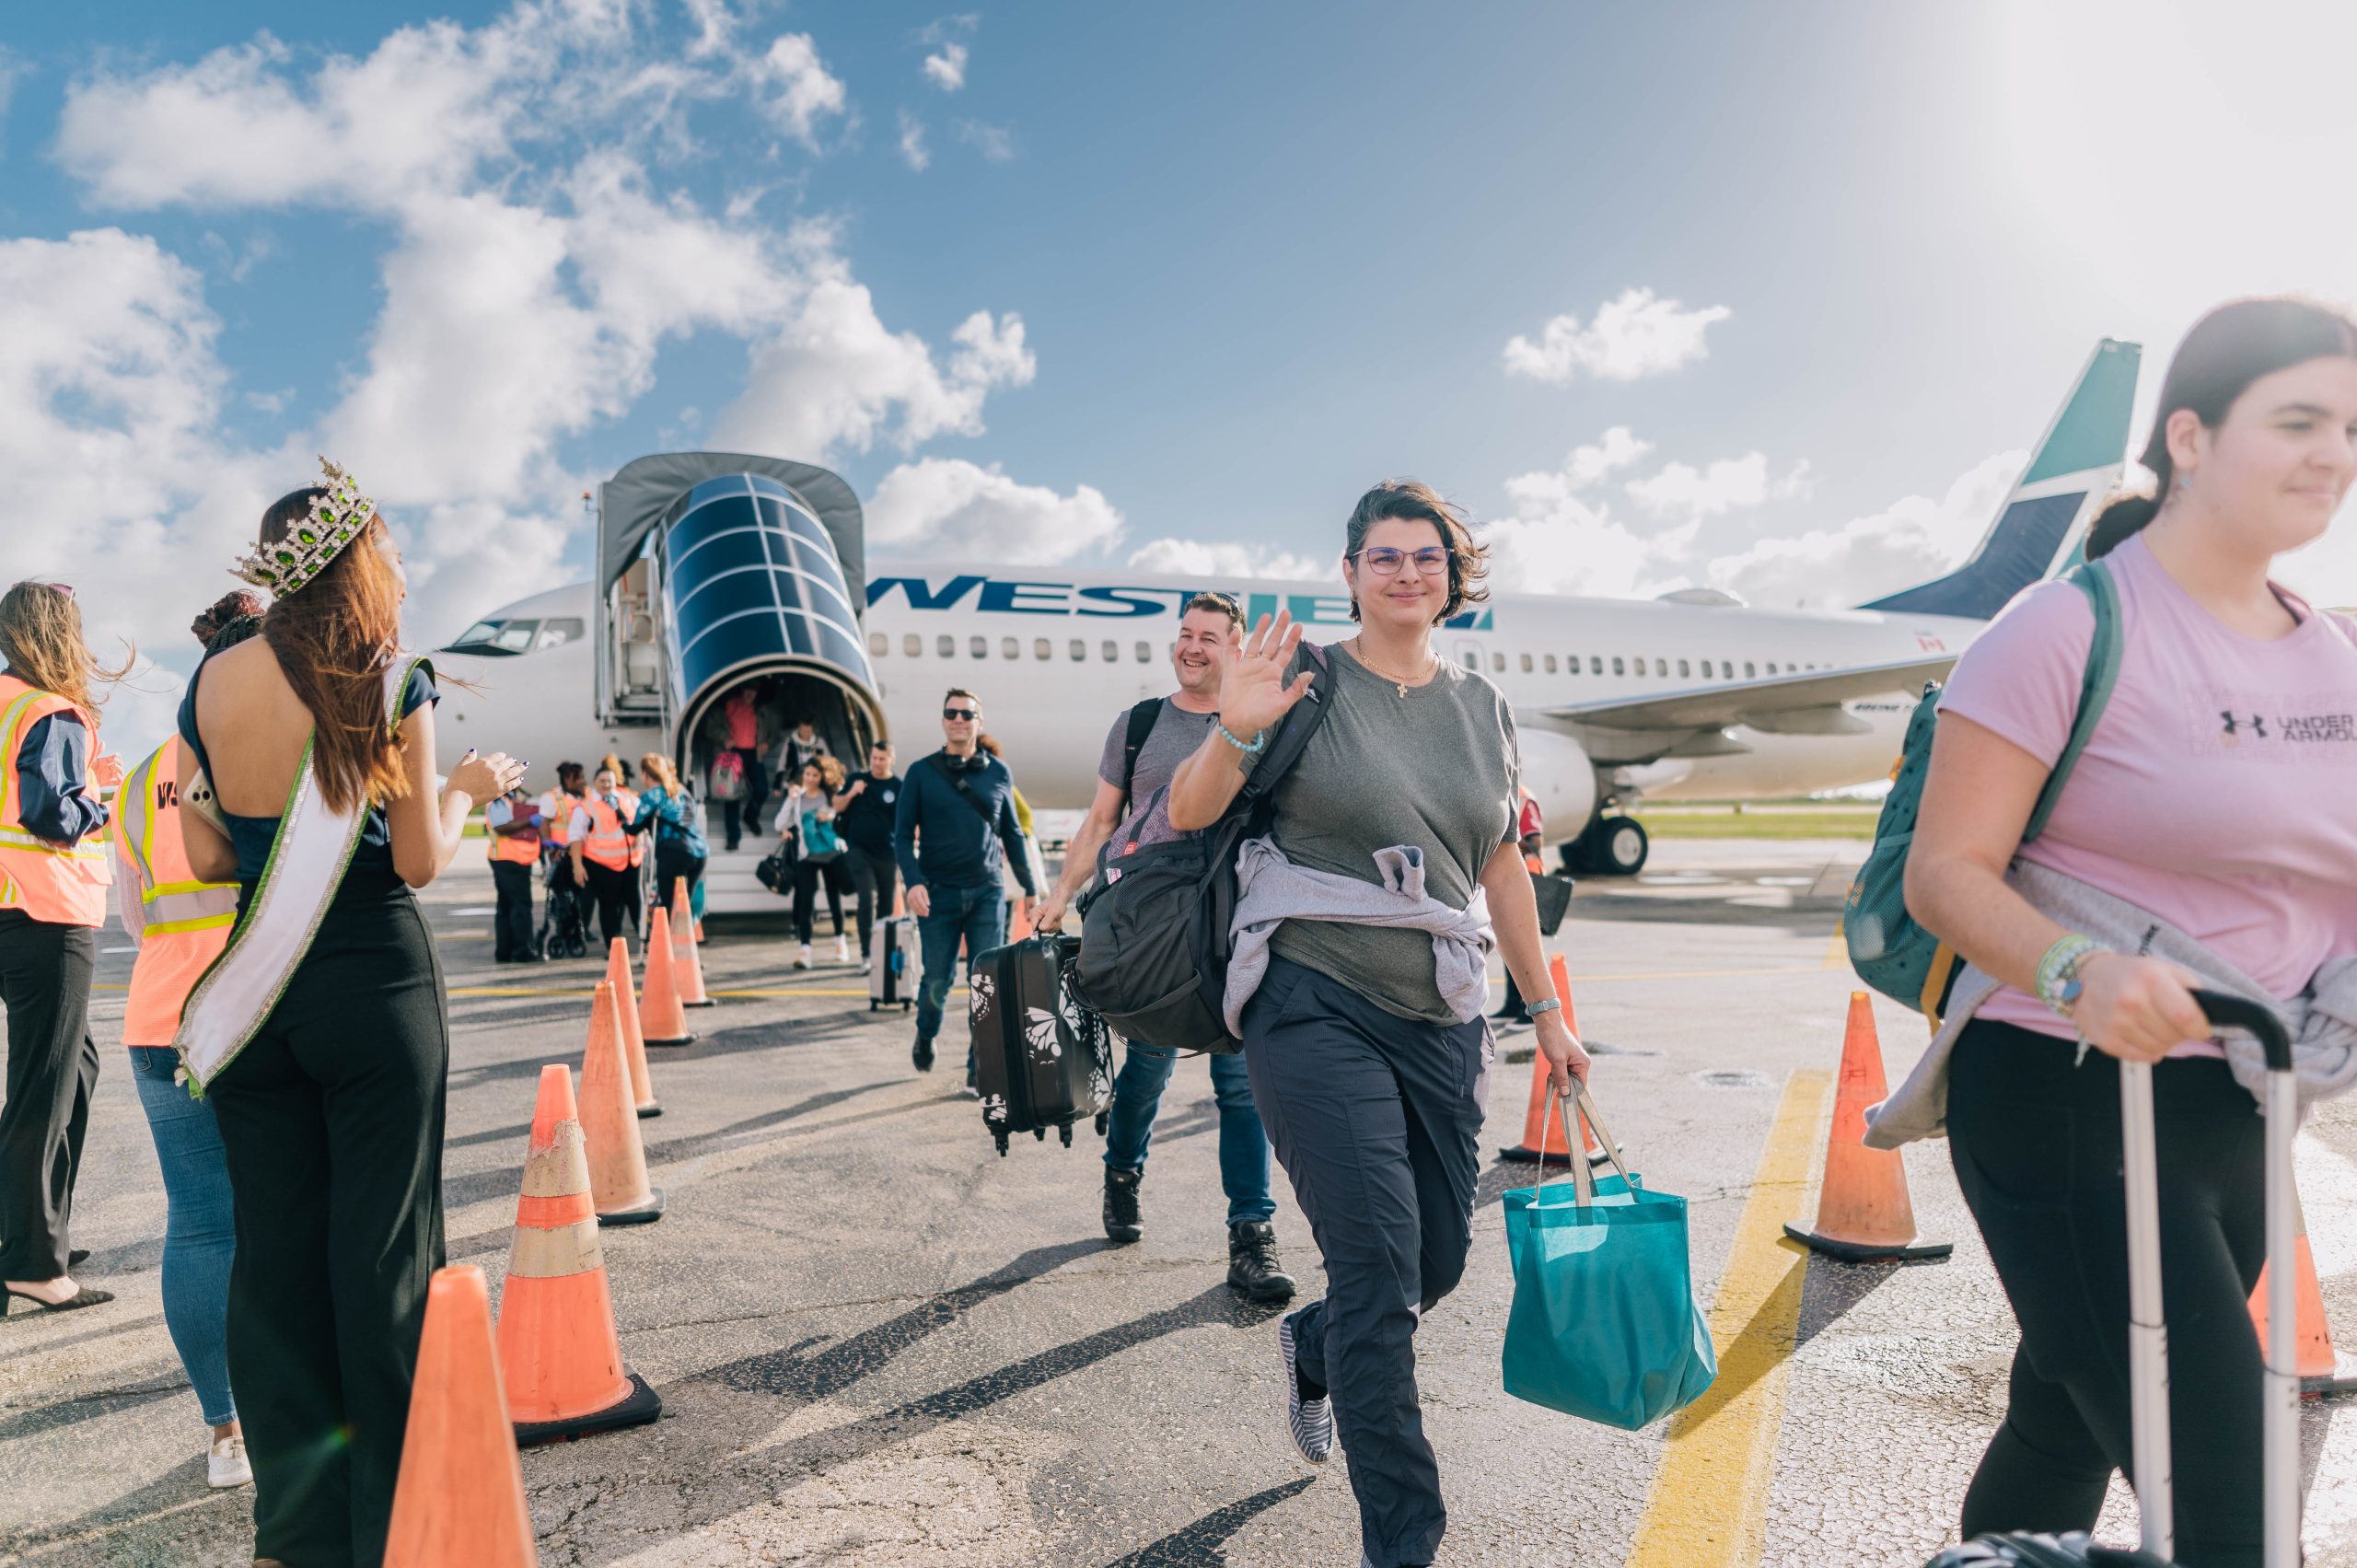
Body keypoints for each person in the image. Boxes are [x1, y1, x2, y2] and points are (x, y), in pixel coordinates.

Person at [1898, 297, 2357, 1568]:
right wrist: (2075, 965)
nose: (2335, 453)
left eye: (2353, 426)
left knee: (2064, 1424)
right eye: (2300, 419)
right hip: (2068, 1086)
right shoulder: (2068, 628)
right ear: (2194, 437)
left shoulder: (2338, 660)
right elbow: (1948, 870)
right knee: (2236, 1512)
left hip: (2251, 1103)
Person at [1165, 481, 1587, 1568]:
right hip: (1310, 995)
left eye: (1427, 556)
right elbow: (1189, 810)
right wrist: (1234, 732)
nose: (1407, 571)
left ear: (1454, 577)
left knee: (1433, 1261)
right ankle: (1405, 1541)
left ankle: (1313, 1344)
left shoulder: (1482, 705)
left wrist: (1546, 1016)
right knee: (1378, 1279)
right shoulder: (1307, 681)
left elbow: (1500, 862)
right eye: (1383, 555)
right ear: (1350, 572)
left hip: (1442, 1009)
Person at [177, 459, 524, 1566]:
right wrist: (467, 789)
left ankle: (297, 1529)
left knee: (272, 1260)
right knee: (379, 1258)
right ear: (356, 556)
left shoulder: (212, 679)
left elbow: (202, 846)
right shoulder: (387, 673)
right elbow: (418, 860)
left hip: (255, 997)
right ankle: (390, 1523)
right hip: (371, 982)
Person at [1036, 591, 1295, 1302]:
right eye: (1185, 633)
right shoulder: (1141, 722)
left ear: (1235, 647)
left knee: (1241, 1091)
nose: (1193, 646)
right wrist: (1061, 894)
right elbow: (1099, 819)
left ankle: (1251, 1235)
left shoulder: (1261, 719)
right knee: (1145, 1077)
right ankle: (1122, 1173)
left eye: (1210, 636)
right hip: (1151, 937)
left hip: (1233, 934)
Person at [110, 591, 259, 1486]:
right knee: (283, 1208)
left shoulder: (137, 777)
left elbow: (133, 918)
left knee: (200, 1224)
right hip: (251, 1002)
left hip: (158, 1014)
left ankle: (225, 1430)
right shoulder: (261, 748)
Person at [0, 580, 126, 1316]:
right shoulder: (51, 710)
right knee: (46, 1084)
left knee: (73, 1066)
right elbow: (50, 812)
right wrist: (99, 799)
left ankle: (32, 1228)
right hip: (47, 911)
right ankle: (34, 1263)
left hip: (10, 907)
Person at [893, 688, 1038, 1089]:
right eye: (951, 713)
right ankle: (926, 1032)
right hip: (937, 893)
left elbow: (1012, 833)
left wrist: (1030, 889)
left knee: (985, 981)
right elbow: (902, 837)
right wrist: (913, 882)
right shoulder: (921, 773)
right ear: (943, 720)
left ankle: (979, 1067)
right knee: (936, 979)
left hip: (987, 892)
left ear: (979, 722)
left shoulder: (998, 773)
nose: (959, 719)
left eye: (967, 714)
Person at [835, 740, 902, 975]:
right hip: (858, 850)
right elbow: (837, 806)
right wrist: (852, 793)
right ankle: (865, 954)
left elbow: (906, 821)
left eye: (882, 759)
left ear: (891, 760)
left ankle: (880, 953)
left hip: (887, 853)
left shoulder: (897, 786)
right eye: (874, 758)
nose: (876, 762)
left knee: (886, 904)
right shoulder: (857, 779)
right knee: (867, 898)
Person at [778, 758, 850, 969]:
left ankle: (840, 941)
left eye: (815, 775)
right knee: (805, 901)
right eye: (807, 774)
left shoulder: (831, 794)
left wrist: (830, 815)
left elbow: (844, 811)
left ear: (823, 777)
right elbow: (780, 823)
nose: (810, 779)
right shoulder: (797, 797)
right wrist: (790, 800)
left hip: (831, 854)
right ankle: (805, 950)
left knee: (833, 899)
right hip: (806, 857)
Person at [1490, 788, 1546, 1030]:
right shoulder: (1506, 791)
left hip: (1527, 880)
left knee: (1525, 946)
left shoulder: (1525, 798)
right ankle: (1513, 1004)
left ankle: (1529, 1009)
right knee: (1508, 945)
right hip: (1508, 881)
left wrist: (1506, 840)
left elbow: (1536, 843)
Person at [631, 753, 707, 929]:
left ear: (645, 774)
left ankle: (670, 947)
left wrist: (621, 817)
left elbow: (635, 825)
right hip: (699, 851)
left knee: (670, 905)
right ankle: (683, 945)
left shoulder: (653, 795)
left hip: (674, 851)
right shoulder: (681, 790)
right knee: (683, 903)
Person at [569, 764, 640, 951]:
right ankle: (613, 946)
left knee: (634, 902)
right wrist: (577, 866)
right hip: (601, 864)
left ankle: (645, 941)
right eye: (602, 781)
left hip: (630, 861)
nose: (606, 784)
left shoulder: (625, 799)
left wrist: (639, 841)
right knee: (609, 905)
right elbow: (576, 837)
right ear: (595, 783)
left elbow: (638, 822)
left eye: (610, 780)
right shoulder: (586, 806)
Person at [484, 782, 541, 962]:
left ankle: (504, 952)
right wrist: (530, 821)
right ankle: (522, 951)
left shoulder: (507, 801)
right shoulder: (499, 801)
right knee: (520, 906)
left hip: (508, 860)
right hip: (510, 861)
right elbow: (502, 827)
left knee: (506, 907)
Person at [597, 749, 644, 940]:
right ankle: (643, 937)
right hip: (629, 859)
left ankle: (614, 940)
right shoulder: (630, 797)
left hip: (611, 861)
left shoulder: (603, 799)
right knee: (632, 900)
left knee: (611, 903)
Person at [721, 684, 768, 845]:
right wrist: (723, 738)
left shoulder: (761, 709)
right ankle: (733, 836)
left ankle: (750, 816)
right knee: (732, 793)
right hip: (734, 753)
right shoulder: (730, 705)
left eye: (753, 690)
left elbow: (773, 730)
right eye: (747, 690)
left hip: (753, 753)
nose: (750, 694)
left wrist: (767, 743)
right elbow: (714, 724)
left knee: (761, 790)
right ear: (742, 690)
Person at [775, 718, 828, 797]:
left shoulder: (819, 742)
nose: (806, 734)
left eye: (809, 732)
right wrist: (777, 784)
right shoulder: (790, 742)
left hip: (813, 782)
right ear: (799, 729)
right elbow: (782, 762)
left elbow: (828, 762)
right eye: (803, 731)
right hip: (793, 781)